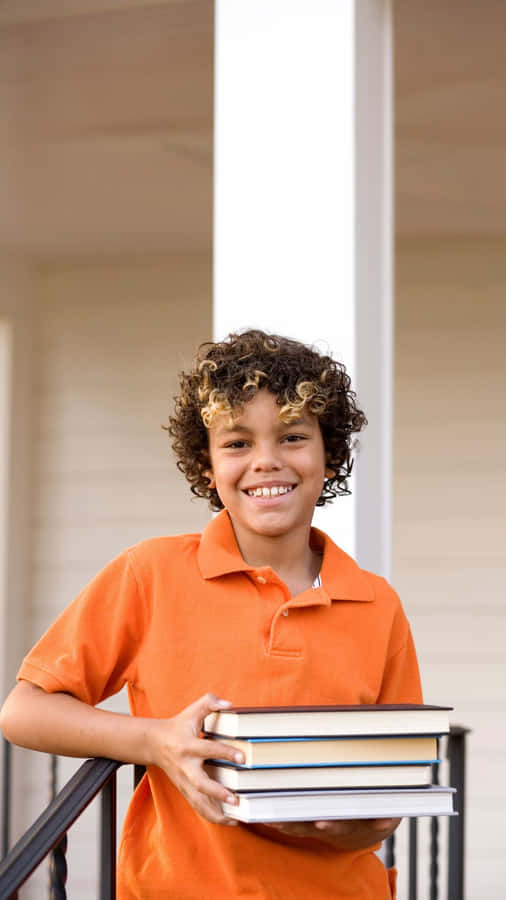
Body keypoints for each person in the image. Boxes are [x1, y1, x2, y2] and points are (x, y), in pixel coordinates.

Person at [0, 329, 422, 899]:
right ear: (207, 464)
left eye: (293, 437)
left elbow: (389, 797)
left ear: (329, 456)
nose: (267, 461)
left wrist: (353, 827)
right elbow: (24, 712)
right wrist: (155, 741)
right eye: (238, 442)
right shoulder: (149, 574)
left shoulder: (378, 604)